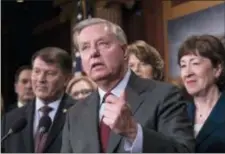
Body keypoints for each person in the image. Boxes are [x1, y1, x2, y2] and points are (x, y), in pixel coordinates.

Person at [61, 18, 195, 153]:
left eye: (102, 44)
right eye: (85, 47)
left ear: (124, 51)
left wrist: (133, 132)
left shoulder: (164, 95)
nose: (93, 53)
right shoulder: (74, 114)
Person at [1, 47, 76, 153]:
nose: (41, 79)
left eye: (50, 73)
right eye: (36, 71)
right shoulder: (10, 121)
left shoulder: (79, 114)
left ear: (67, 79)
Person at [178, 35, 225, 152]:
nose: (187, 73)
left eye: (195, 63)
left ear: (217, 69)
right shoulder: (178, 112)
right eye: (183, 65)